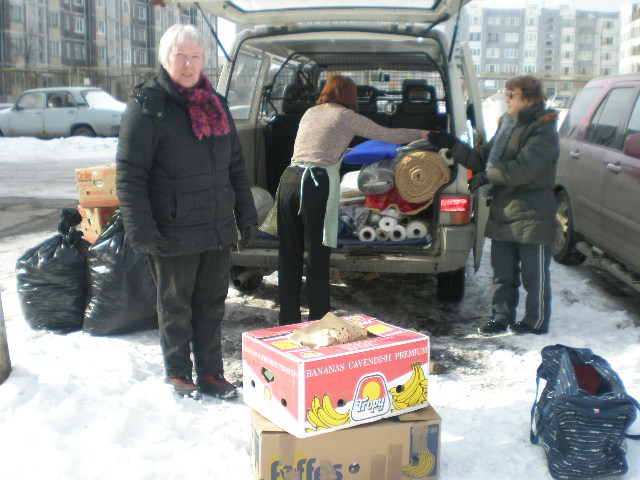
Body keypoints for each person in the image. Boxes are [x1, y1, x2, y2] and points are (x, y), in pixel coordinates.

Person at [116, 24, 258, 398]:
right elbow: (130, 173)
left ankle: (211, 374)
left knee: (211, 306)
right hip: (172, 230)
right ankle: (178, 373)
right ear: (165, 58)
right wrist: (140, 229)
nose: (189, 64)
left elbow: (235, 166)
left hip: (216, 227)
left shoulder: (216, 104)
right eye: (180, 56)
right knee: (175, 307)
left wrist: (245, 214)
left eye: (196, 57)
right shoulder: (148, 106)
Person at [274, 75, 428, 326]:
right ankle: (319, 324)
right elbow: (386, 134)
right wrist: (422, 133)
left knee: (289, 254)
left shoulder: (311, 112)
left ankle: (287, 321)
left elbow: (316, 145)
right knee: (318, 256)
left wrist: (341, 150)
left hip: (289, 180)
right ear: (349, 96)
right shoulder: (345, 116)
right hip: (314, 185)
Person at [428, 75, 559, 335]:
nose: (506, 99)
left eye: (512, 95)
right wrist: (452, 144)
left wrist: (489, 175)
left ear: (529, 98)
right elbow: (482, 159)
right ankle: (500, 318)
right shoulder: (507, 125)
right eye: (506, 94)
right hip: (503, 210)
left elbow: (523, 170)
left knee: (534, 276)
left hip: (532, 213)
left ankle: (536, 321)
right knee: (502, 273)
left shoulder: (543, 130)